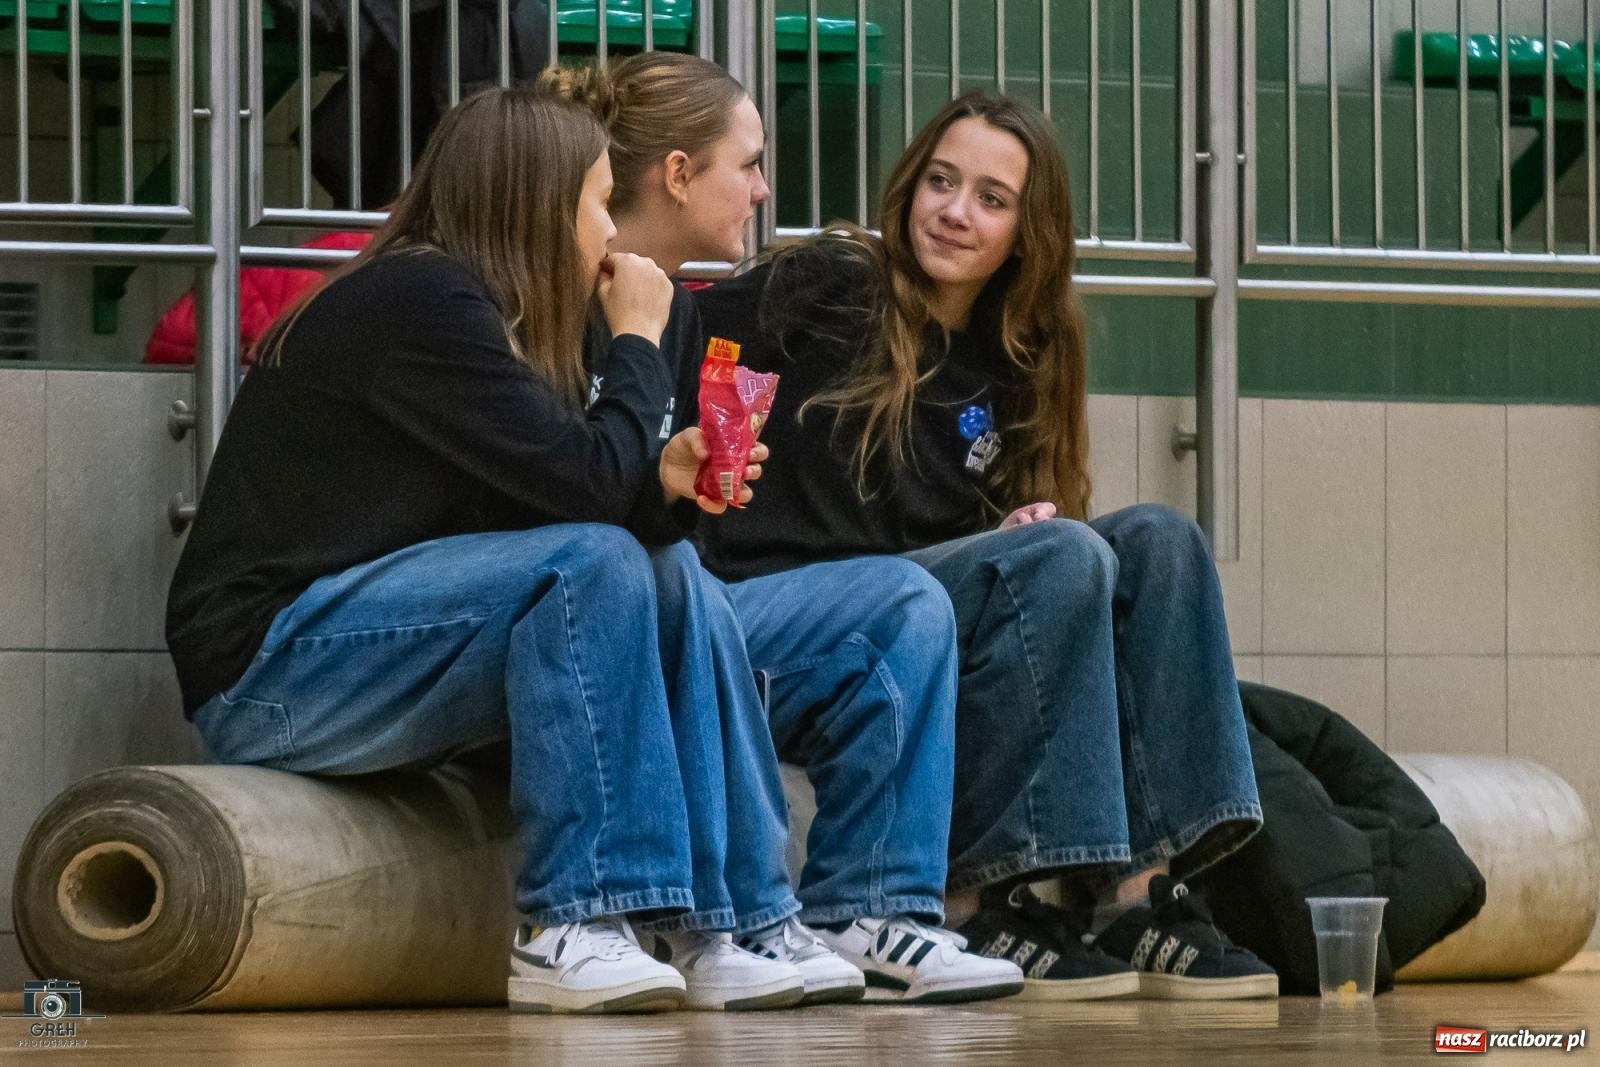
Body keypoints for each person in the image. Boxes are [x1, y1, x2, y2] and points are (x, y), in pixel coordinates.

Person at [166, 88, 793, 1016]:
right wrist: (637, 341)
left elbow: (584, 495)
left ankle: (714, 924)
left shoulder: (480, 308)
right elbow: (581, 498)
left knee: (666, 567)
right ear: (536, 206)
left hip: (365, 647)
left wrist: (663, 479)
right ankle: (573, 921)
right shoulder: (419, 301)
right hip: (269, 674)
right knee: (593, 563)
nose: (605, 230)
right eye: (592, 201)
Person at [695, 90, 1279, 1001]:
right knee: (1064, 556)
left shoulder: (1025, 349)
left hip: (923, 611)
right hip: (789, 612)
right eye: (940, 181)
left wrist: (999, 539)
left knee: (1158, 540)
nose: (955, 212)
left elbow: (972, 547)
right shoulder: (832, 282)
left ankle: (1136, 897)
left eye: (991, 198)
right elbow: (685, 340)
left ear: (1026, 233)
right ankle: (979, 897)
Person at [541, 54, 1025, 1005]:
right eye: (751, 163)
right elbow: (578, 494)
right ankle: (737, 920)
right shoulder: (584, 299)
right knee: (689, 587)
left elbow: (634, 489)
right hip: (579, 619)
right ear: (678, 175)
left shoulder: (678, 305)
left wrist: (686, 480)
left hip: (670, 599)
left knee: (905, 598)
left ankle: (874, 910)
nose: (766, 189)